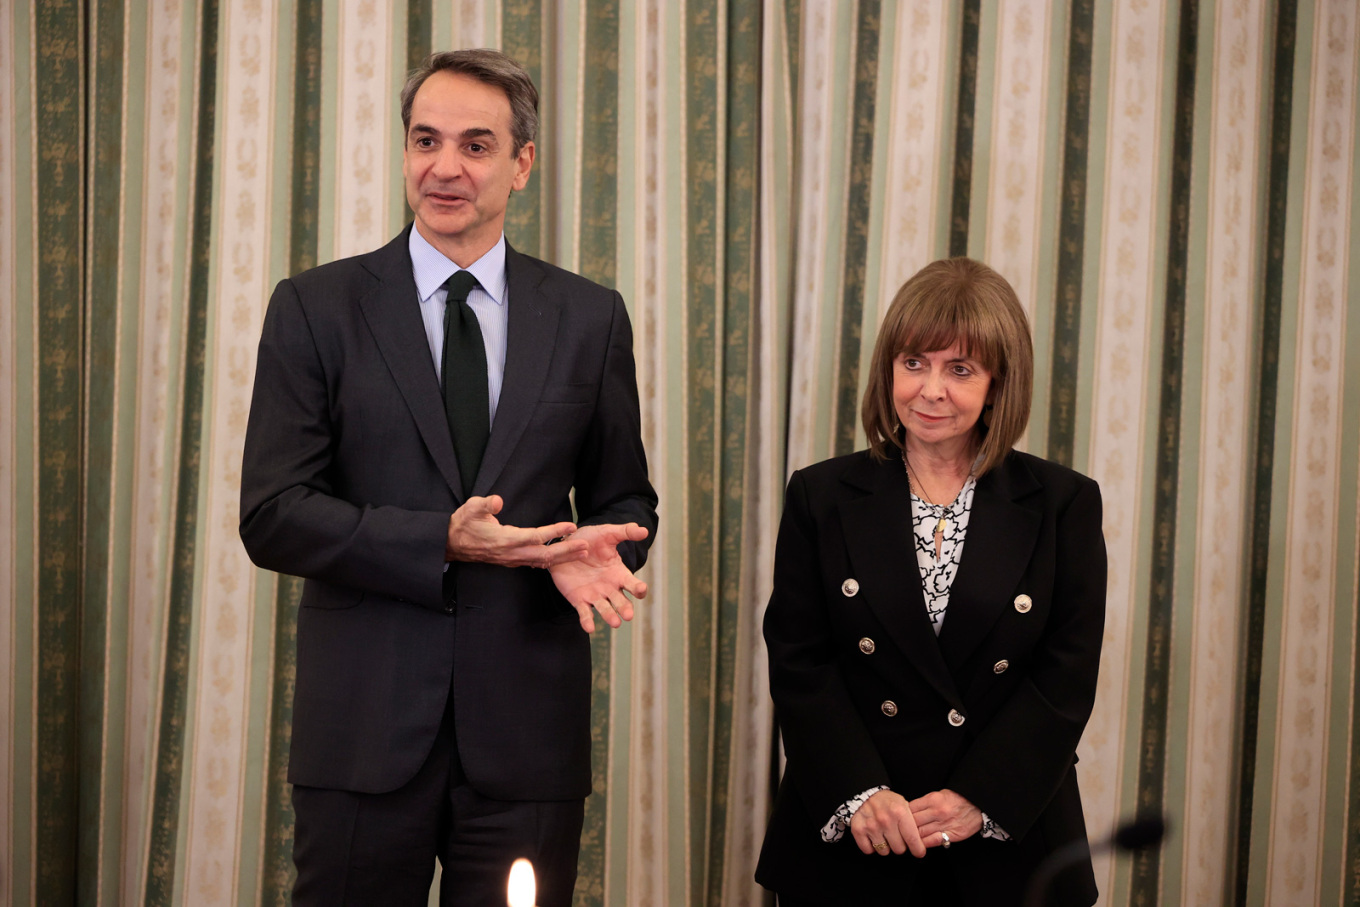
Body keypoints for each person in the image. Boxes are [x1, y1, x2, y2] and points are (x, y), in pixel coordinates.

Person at [239, 49, 657, 907]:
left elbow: (623, 499)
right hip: (362, 732)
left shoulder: (589, 318)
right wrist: (441, 540)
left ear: (522, 163)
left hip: (526, 737)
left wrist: (595, 550)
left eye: (476, 145)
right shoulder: (316, 307)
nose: (444, 167)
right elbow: (274, 512)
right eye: (426, 140)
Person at [755, 258, 1106, 906]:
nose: (930, 390)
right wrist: (861, 794)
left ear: (998, 384)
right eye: (913, 362)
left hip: (1007, 843)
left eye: (960, 369)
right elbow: (800, 660)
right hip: (858, 838)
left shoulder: (1063, 502)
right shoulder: (820, 494)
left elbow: (1066, 674)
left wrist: (981, 797)